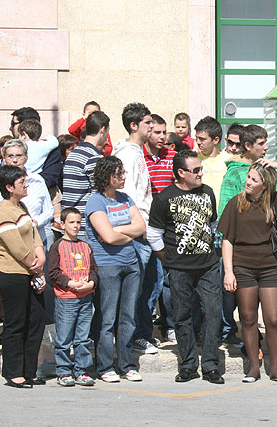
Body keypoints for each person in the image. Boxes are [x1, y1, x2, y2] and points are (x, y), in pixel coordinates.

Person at [218, 159, 277, 383]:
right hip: (243, 267)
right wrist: (229, 271)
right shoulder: (236, 203)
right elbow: (227, 240)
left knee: (273, 319)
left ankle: (275, 369)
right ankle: (253, 368)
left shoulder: (274, 200)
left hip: (270, 267)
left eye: (254, 179)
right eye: (248, 177)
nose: (248, 181)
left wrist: (276, 165)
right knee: (247, 318)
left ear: (265, 185)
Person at [147, 150, 225, 384]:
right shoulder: (164, 198)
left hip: (208, 266)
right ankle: (188, 365)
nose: (201, 173)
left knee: (212, 313)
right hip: (179, 269)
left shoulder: (208, 193)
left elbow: (212, 225)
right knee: (182, 316)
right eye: (196, 170)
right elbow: (153, 234)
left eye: (201, 169)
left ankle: (210, 366)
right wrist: (167, 259)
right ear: (180, 173)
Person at [86, 156, 146, 383]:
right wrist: (122, 233)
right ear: (107, 177)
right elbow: (107, 237)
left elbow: (141, 227)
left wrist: (117, 230)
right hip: (107, 265)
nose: (123, 177)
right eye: (118, 174)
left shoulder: (125, 198)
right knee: (107, 318)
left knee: (128, 317)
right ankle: (105, 366)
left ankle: (127, 364)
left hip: (131, 263)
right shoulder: (96, 202)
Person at [111, 102, 158, 355]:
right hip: (136, 231)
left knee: (149, 285)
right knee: (135, 289)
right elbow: (128, 196)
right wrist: (136, 228)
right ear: (134, 125)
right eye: (148, 123)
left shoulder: (137, 152)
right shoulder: (127, 155)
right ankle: (131, 339)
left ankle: (141, 333)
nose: (152, 127)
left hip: (145, 229)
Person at [0, 166, 47, 388]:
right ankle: (13, 372)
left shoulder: (21, 206)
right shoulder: (4, 211)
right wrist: (35, 266)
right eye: (21, 182)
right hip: (13, 274)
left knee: (35, 320)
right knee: (16, 322)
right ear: (9, 187)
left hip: (31, 272)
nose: (26, 185)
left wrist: (41, 257)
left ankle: (30, 371)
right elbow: (16, 248)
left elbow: (34, 234)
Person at [48, 207, 98, 387]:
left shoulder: (85, 246)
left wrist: (91, 283)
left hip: (86, 297)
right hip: (66, 298)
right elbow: (53, 272)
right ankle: (63, 371)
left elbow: (93, 270)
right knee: (64, 337)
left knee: (83, 337)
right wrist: (69, 283)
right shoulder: (58, 246)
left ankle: (82, 371)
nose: (76, 226)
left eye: (78, 222)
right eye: (71, 222)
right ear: (62, 224)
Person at [143, 113, 177, 342]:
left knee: (171, 280)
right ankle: (144, 331)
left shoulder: (173, 157)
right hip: (149, 226)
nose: (162, 137)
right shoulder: (139, 158)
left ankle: (171, 325)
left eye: (165, 132)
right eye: (157, 132)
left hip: (172, 227)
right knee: (152, 281)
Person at [62, 110, 109, 236]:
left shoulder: (74, 153)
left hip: (71, 223)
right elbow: (98, 195)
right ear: (103, 130)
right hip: (85, 226)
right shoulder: (94, 157)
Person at [0, 139, 53, 246]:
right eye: (10, 156)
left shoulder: (37, 180)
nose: (15, 160)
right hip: (8, 242)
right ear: (4, 159)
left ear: (26, 158)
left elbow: (49, 210)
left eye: (19, 156)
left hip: (37, 240)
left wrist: (36, 221)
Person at [197, 116, 231, 199]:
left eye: (202, 139)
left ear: (216, 140)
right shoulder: (194, 160)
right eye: (196, 138)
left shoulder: (229, 161)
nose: (198, 142)